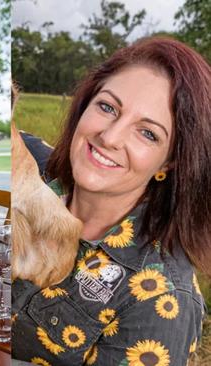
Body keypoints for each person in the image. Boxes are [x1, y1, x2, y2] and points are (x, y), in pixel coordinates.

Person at [12, 37, 209, 365]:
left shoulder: (160, 296)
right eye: (107, 107)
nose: (110, 137)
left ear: (168, 163)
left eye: (148, 133)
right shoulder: (34, 174)